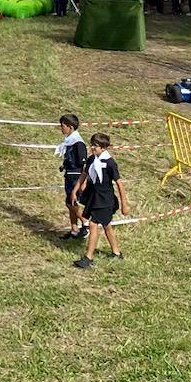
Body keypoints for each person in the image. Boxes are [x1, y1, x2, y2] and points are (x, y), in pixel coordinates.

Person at [71, 133, 128, 268]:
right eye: (91, 145)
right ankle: (116, 252)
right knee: (107, 225)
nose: (92, 148)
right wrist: (75, 191)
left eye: (95, 146)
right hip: (93, 197)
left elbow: (119, 183)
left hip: (105, 199)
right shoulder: (91, 160)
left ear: (103, 148)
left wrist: (124, 205)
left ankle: (88, 258)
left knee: (93, 224)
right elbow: (83, 175)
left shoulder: (110, 163)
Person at [55, 114, 87, 239]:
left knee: (70, 202)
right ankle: (74, 229)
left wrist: (83, 182)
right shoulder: (69, 141)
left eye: (63, 126)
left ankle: (85, 222)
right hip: (69, 174)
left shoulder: (78, 143)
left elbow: (83, 163)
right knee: (70, 202)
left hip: (76, 176)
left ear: (70, 126)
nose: (61, 128)